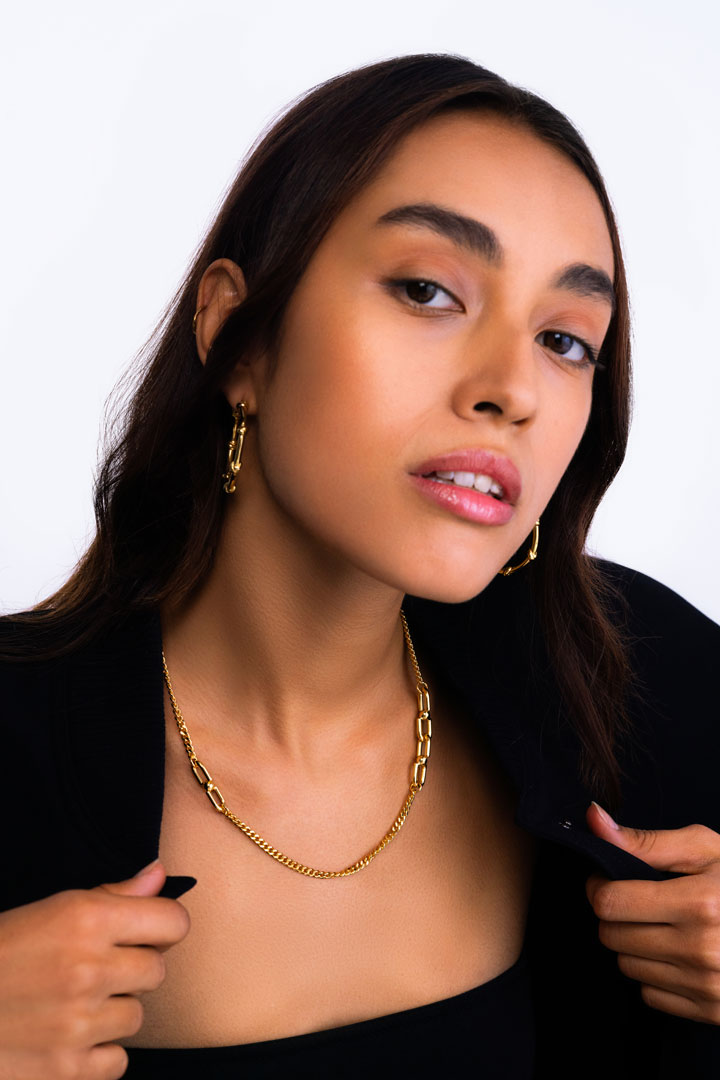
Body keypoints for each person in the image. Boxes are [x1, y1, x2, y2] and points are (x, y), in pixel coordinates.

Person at [1, 53, 719, 1080]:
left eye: (566, 340)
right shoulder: (21, 740)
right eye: (428, 291)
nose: (512, 390)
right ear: (237, 337)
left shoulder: (639, 677)